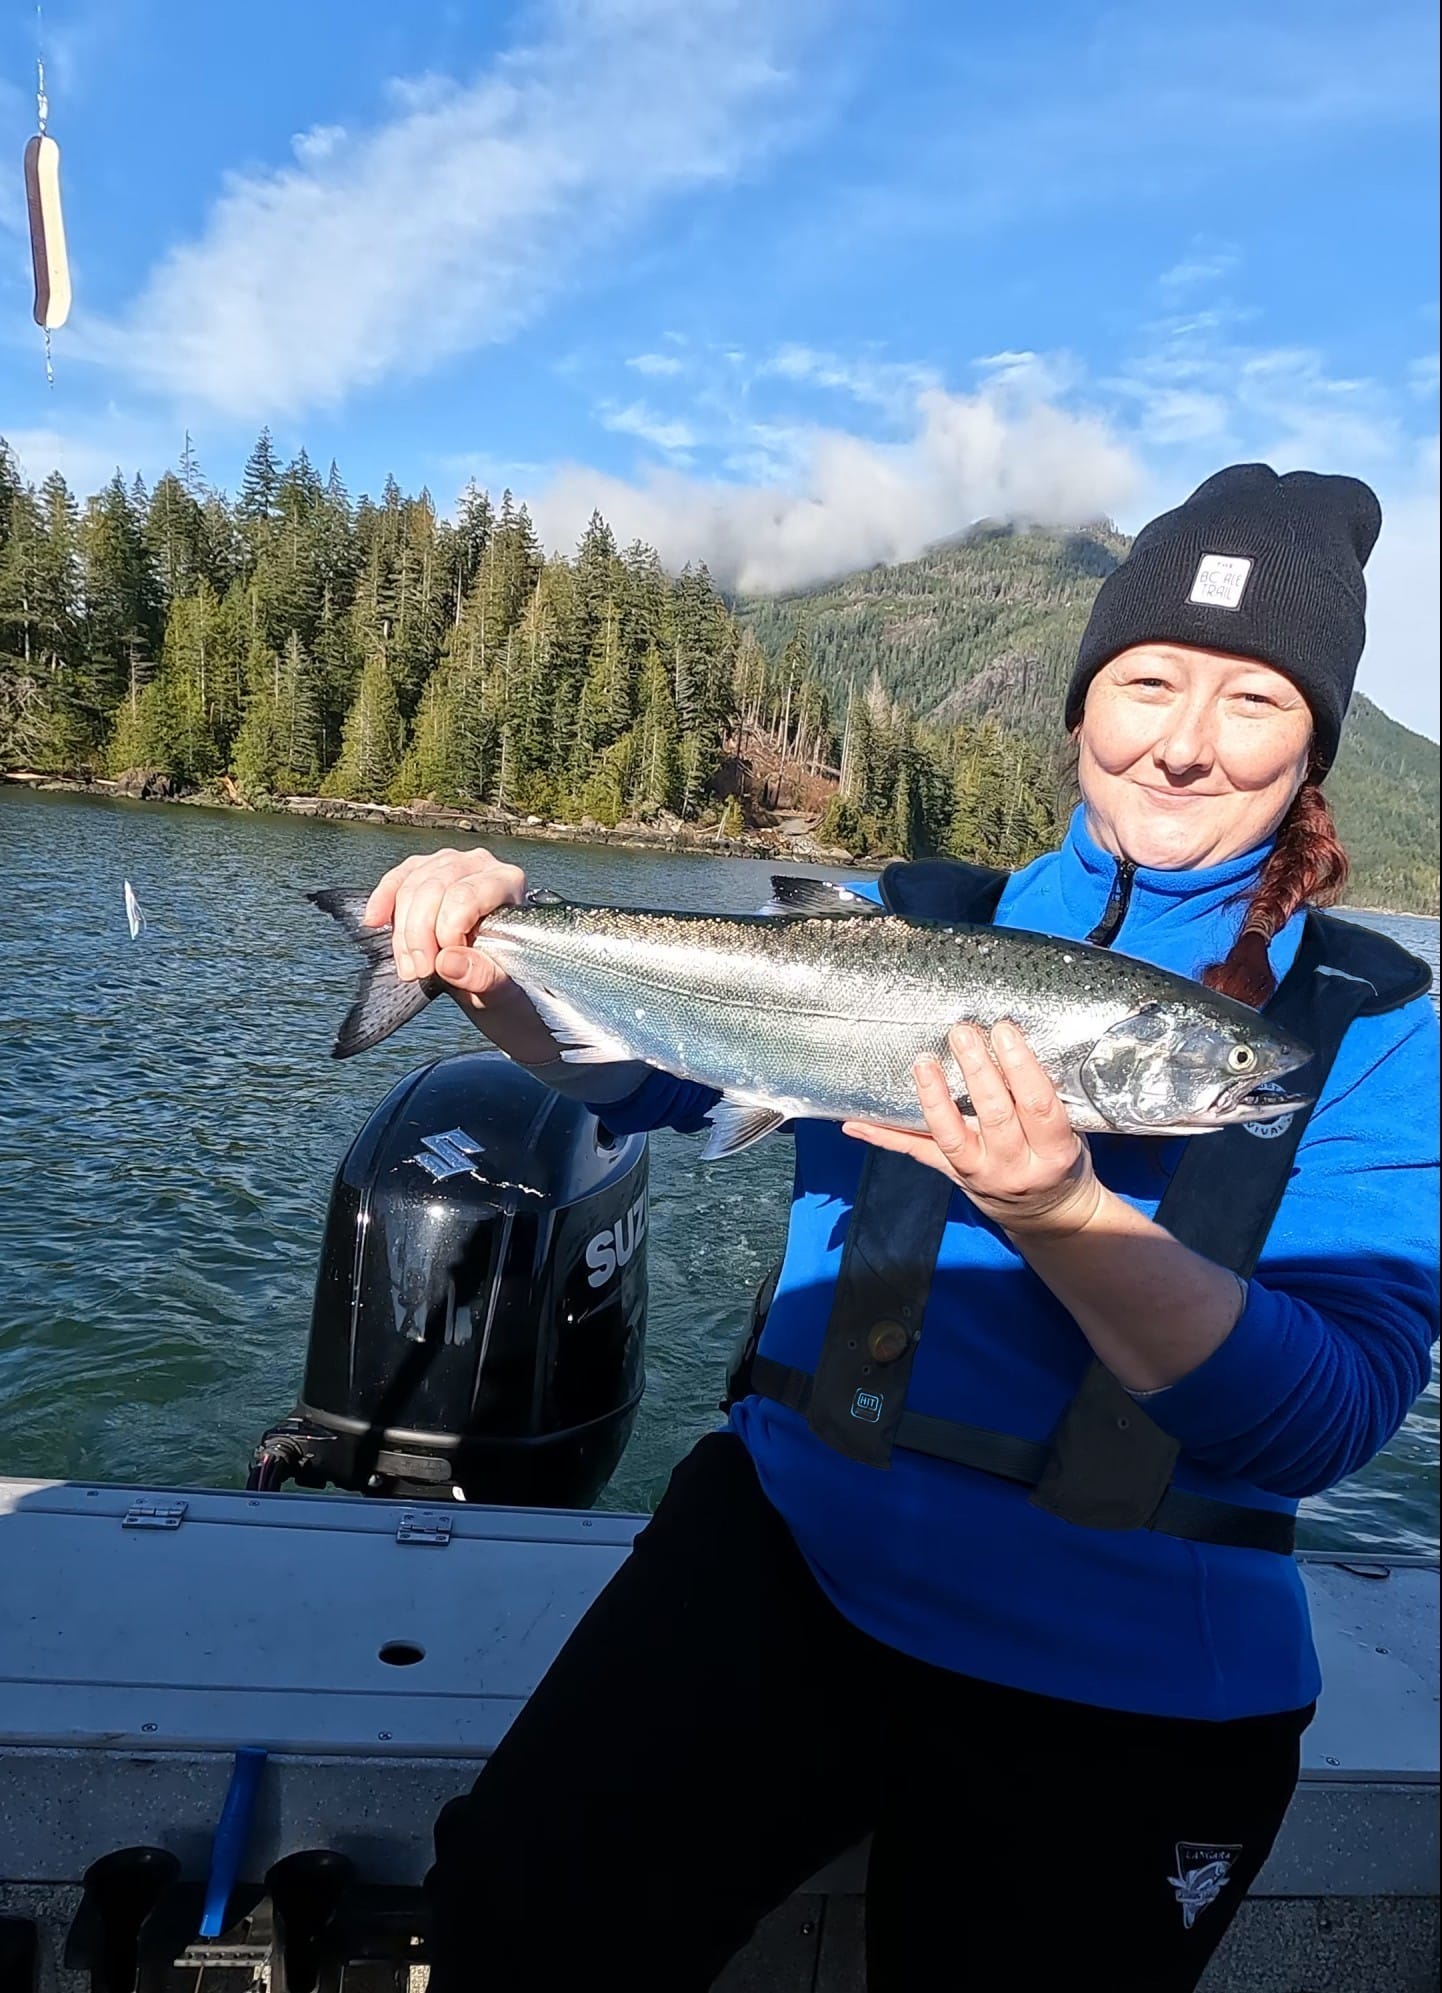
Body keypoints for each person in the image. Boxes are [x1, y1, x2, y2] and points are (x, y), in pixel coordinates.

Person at [363, 465, 1439, 1992]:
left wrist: (1060, 1215)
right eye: (1144, 680)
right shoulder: (905, 911)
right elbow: (659, 1078)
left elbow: (1321, 1417)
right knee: (508, 1921)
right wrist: (487, 965)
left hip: (1132, 1666)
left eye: (1253, 701)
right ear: (1080, 703)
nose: (1183, 743)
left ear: (1313, 744)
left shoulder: (1372, 1029)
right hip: (793, 1552)